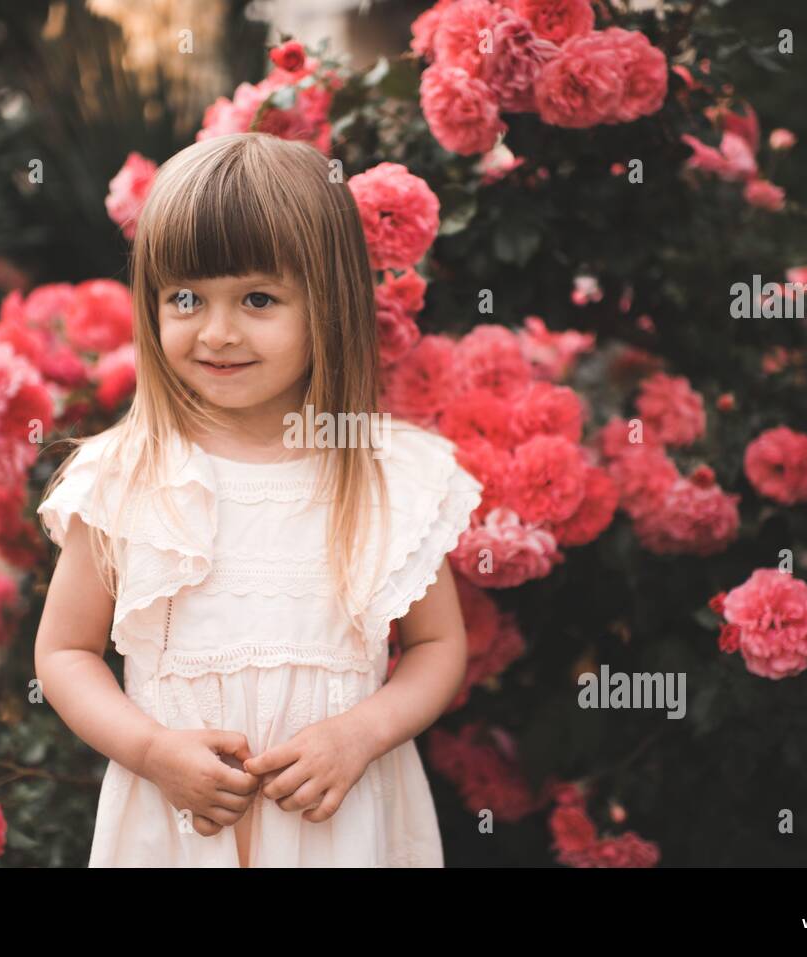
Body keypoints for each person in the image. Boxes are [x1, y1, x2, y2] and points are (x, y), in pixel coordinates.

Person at [34, 131, 482, 866]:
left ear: (327, 303)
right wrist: (152, 749)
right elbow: (63, 651)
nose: (217, 331)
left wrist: (361, 733)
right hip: (180, 826)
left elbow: (438, 645)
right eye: (185, 297)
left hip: (340, 824)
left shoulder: (380, 474)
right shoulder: (127, 476)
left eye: (258, 298)